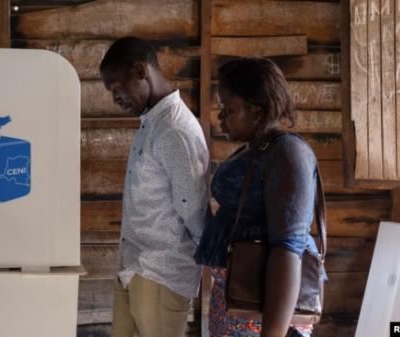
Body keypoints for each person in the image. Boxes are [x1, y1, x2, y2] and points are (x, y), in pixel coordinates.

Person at [195, 57, 323, 337]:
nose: (221, 117)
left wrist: (272, 334)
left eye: (228, 109)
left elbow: (289, 249)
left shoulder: (288, 153)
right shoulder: (258, 149)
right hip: (237, 307)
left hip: (262, 319)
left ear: (256, 111)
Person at [100, 36, 209, 337]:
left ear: (140, 71)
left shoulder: (174, 130)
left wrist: (207, 260)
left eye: (116, 89)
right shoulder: (153, 122)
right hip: (134, 267)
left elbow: (194, 211)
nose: (115, 99)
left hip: (162, 274)